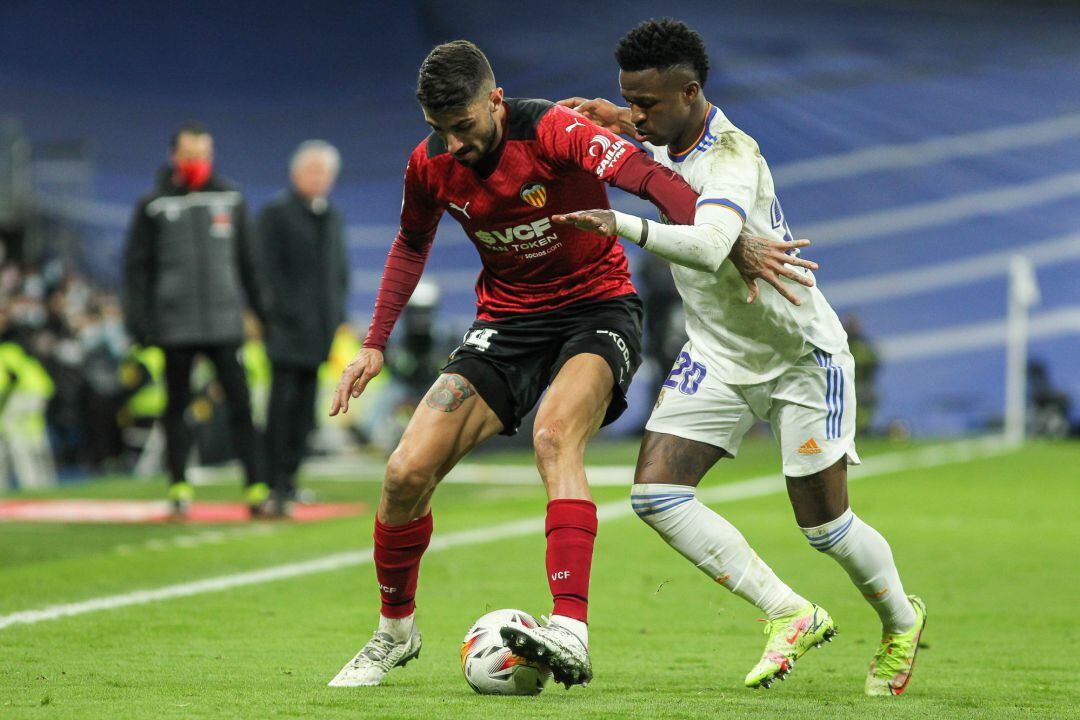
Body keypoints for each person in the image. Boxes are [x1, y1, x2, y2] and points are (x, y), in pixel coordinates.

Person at [327, 40, 808, 690]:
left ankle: (571, 632)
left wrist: (729, 242)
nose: (454, 144)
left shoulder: (554, 131)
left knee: (555, 434)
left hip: (598, 308)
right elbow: (412, 241)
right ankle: (394, 634)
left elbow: (652, 179)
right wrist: (375, 341)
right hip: (507, 322)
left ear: (495, 102)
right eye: (439, 131)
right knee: (404, 472)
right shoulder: (430, 164)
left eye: (464, 127)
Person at [557, 19, 925, 696]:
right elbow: (651, 143)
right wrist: (615, 116)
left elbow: (707, 243)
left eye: (647, 104)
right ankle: (790, 612)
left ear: (692, 93)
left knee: (825, 528)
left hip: (799, 357)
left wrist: (622, 224)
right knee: (656, 494)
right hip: (720, 353)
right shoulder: (668, 131)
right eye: (626, 101)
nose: (635, 116)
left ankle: (901, 621)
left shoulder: (731, 156)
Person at [122, 122, 268, 518]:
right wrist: (139, 322)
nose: (196, 163)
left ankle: (256, 484)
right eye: (189, 156)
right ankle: (178, 485)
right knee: (177, 407)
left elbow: (249, 263)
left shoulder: (231, 197)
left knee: (241, 403)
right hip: (175, 325)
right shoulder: (152, 204)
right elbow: (136, 269)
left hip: (224, 323)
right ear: (174, 156)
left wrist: (262, 313)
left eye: (203, 155)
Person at [257, 140, 348, 517]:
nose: (320, 179)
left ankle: (291, 481)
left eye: (326, 173)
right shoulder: (276, 214)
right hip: (286, 332)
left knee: (306, 411)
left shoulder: (331, 217)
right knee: (282, 408)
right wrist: (278, 314)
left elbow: (337, 272)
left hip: (319, 333)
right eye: (314, 171)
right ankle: (272, 483)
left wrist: (335, 315)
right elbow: (265, 271)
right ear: (296, 173)